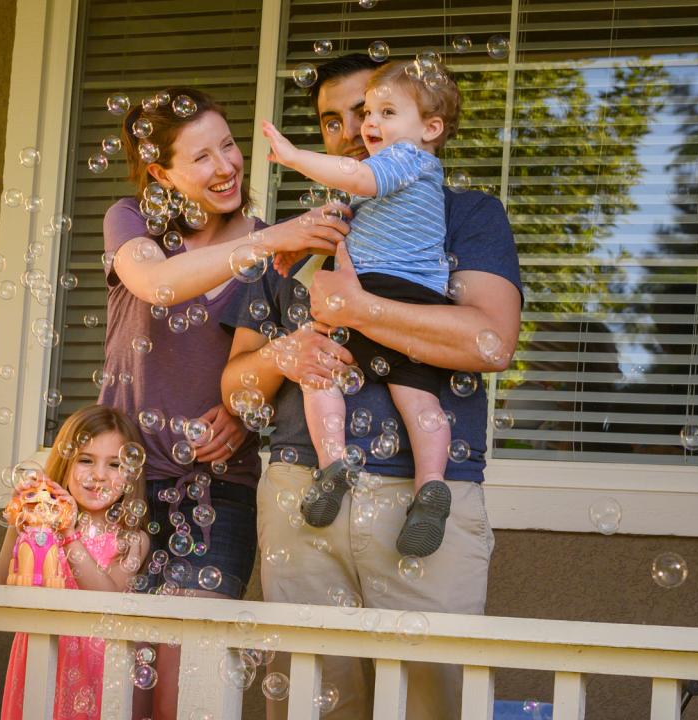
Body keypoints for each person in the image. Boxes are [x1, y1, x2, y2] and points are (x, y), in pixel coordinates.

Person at [221, 54, 522, 720]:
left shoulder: (465, 215)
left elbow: (491, 342)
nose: (355, 130)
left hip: (418, 493)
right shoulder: (302, 235)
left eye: (369, 111)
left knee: (433, 705)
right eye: (333, 121)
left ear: (417, 119)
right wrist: (283, 352)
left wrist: (358, 308)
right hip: (303, 490)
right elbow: (238, 384)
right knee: (309, 706)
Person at [100, 87, 348, 718]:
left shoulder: (274, 253)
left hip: (217, 490)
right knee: (117, 688)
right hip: (119, 491)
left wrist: (242, 414)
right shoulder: (133, 222)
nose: (227, 166)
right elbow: (156, 284)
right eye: (201, 156)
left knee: (189, 693)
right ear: (161, 174)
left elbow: (263, 364)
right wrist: (271, 241)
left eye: (230, 145)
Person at [261, 58, 462, 558]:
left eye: (384, 112)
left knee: (320, 378)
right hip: (413, 300)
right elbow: (353, 215)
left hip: (377, 293)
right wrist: (302, 244)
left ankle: (333, 464)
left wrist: (293, 157)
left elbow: (354, 176)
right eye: (368, 113)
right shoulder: (405, 180)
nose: (368, 126)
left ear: (430, 129)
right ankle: (432, 485)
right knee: (419, 402)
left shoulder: (405, 160)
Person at [0, 404, 149, 720]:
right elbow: (4, 580)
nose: (98, 475)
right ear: (65, 464)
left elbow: (107, 599)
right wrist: (18, 522)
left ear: (131, 474)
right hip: (41, 657)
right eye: (85, 460)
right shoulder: (43, 525)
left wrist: (68, 533)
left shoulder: (131, 539)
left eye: (115, 464)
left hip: (98, 667)